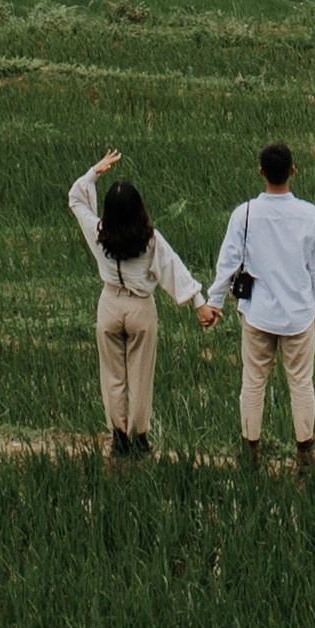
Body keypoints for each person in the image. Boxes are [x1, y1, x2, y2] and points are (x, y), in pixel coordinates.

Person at [199, 139, 315, 469]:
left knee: (253, 382)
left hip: (258, 315)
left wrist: (214, 303)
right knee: (301, 383)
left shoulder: (244, 214)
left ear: (261, 172)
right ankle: (304, 451)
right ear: (293, 171)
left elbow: (227, 263)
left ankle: (251, 450)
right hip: (299, 315)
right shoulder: (310, 215)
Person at [63, 148, 192, 460]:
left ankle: (118, 436)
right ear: (138, 210)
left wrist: (95, 171)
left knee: (112, 375)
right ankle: (140, 436)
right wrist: (198, 301)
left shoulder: (98, 232)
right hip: (139, 308)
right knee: (140, 374)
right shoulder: (149, 239)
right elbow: (172, 267)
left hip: (109, 304)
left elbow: (75, 199)